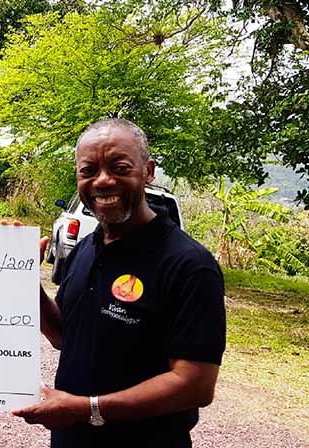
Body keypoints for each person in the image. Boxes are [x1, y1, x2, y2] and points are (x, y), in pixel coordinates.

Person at [12, 119, 226, 447]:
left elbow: (195, 385)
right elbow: (63, 336)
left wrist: (87, 410)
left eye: (119, 167)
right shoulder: (87, 248)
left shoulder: (190, 266)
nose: (103, 180)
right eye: (88, 170)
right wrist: (25, 283)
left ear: (148, 171)